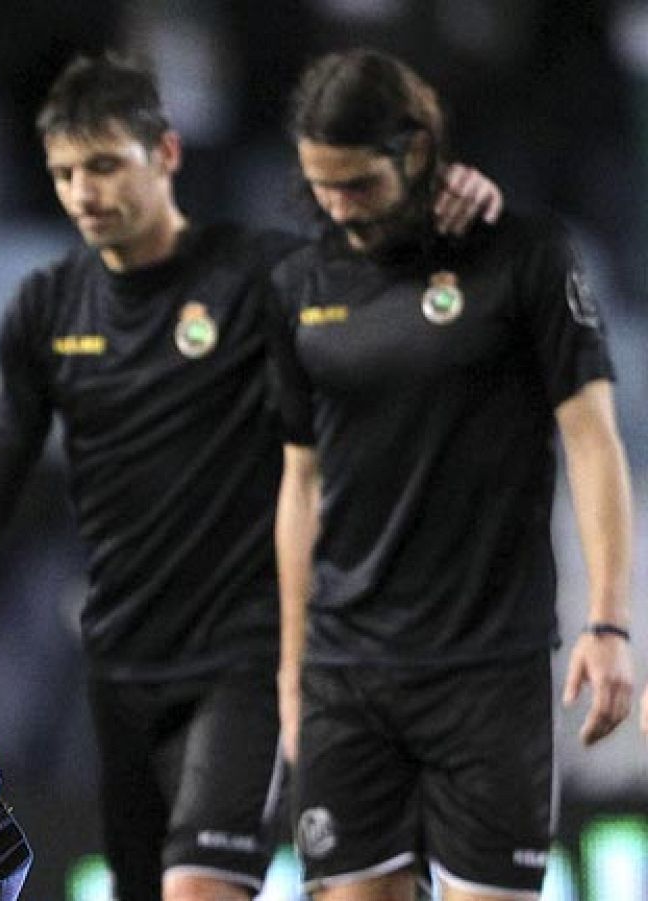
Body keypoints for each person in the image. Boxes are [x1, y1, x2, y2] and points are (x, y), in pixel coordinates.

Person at [0, 51, 501, 901]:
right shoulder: (46, 307)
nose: (85, 192)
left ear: (165, 157)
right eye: (65, 174)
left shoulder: (257, 276)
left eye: (106, 166)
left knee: (207, 885)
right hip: (124, 661)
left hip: (248, 645)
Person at [268, 48, 635, 900]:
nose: (337, 206)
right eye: (321, 185)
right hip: (346, 671)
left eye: (356, 184)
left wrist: (610, 623)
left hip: (489, 666)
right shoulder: (299, 285)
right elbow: (300, 485)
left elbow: (592, 439)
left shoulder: (526, 256)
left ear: (416, 150)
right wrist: (290, 671)